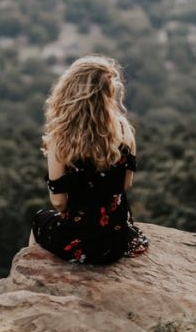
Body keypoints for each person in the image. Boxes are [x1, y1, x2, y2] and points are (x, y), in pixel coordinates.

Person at [30, 55, 149, 264]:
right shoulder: (124, 129)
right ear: (108, 93)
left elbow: (58, 203)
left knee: (38, 220)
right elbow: (126, 184)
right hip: (116, 240)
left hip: (79, 240)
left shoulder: (61, 138)